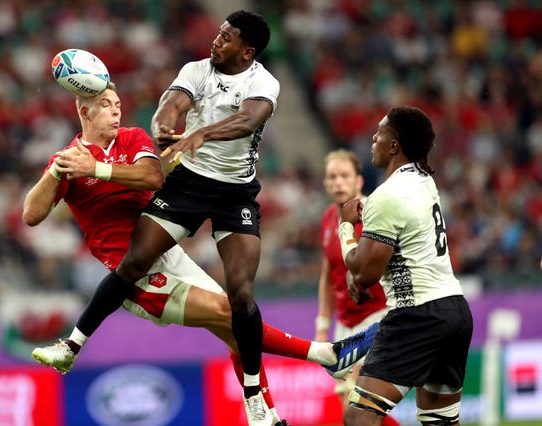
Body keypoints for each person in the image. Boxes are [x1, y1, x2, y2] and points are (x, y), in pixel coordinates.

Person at [25, 82, 379, 426]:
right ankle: (325, 354)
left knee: (234, 327)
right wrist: (56, 171)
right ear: (84, 111)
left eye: (118, 104)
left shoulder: (131, 138)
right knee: (227, 311)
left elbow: (151, 176)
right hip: (134, 274)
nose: (117, 110)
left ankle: (264, 415)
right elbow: (32, 214)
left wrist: (99, 169)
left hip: (167, 251)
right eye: (106, 105)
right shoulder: (70, 160)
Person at [38, 10, 287, 425]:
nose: (216, 40)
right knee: (133, 261)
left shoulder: (264, 82)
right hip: (188, 185)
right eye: (218, 32)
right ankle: (72, 346)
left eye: (227, 38)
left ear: (247, 51)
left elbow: (249, 120)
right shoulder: (196, 69)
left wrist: (203, 133)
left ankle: (252, 396)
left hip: (236, 192)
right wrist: (163, 127)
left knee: (241, 295)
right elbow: (170, 107)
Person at [338, 106, 474, 426]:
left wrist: (346, 228)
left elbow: (365, 274)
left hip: (417, 314)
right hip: (454, 310)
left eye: (381, 132)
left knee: (358, 418)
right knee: (439, 421)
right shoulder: (424, 181)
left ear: (395, 145)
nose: (374, 137)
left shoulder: (389, 195)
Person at [316, 149, 399, 426]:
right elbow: (329, 274)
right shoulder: (329, 218)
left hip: (378, 315)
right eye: (332, 177)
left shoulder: (372, 214)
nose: (338, 183)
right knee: (349, 409)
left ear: (358, 181)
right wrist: (322, 324)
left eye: (344, 176)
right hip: (346, 322)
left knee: (361, 403)